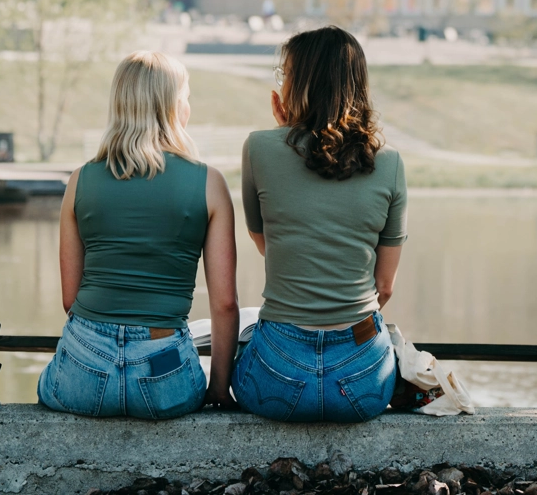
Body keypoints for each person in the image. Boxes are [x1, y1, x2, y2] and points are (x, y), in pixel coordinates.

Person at [37, 51, 240, 419]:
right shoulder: (210, 184)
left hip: (84, 368)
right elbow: (224, 304)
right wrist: (219, 387)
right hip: (164, 375)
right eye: (187, 96)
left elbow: (71, 298)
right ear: (175, 105)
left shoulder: (79, 180)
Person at [233, 26, 407, 422]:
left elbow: (269, 243)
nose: (283, 81)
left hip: (278, 373)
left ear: (302, 83)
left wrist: (282, 133)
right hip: (364, 380)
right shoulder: (390, 162)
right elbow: (384, 286)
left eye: (287, 73)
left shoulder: (259, 148)